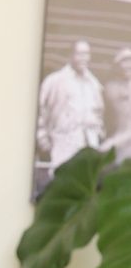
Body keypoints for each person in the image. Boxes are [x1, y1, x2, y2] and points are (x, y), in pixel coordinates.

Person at [37, 37, 107, 173]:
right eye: (80, 54)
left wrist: (99, 134)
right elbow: (42, 111)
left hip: (88, 143)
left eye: (86, 54)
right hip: (64, 142)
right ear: (71, 55)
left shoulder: (93, 84)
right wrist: (42, 139)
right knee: (64, 182)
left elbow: (99, 113)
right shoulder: (55, 81)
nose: (84, 58)